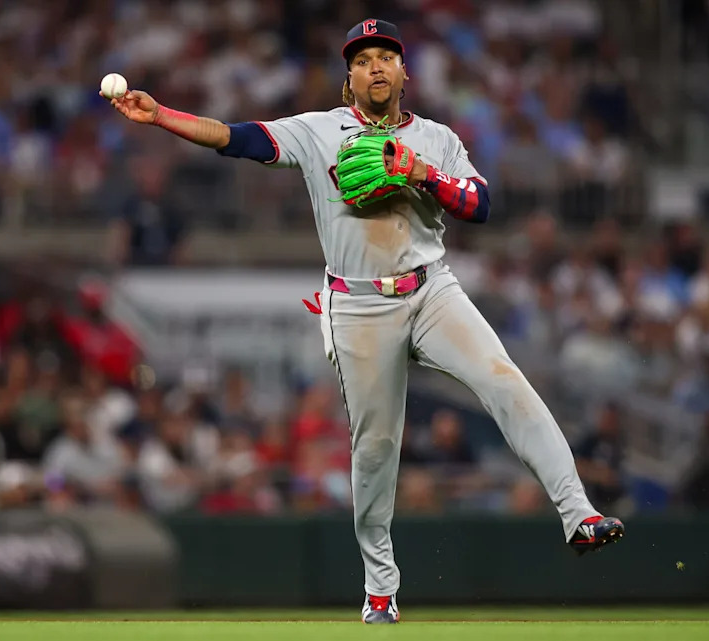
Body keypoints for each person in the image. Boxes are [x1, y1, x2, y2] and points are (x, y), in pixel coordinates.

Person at [107, 18, 623, 624]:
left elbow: (481, 205)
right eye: (362, 59)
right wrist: (162, 114)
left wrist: (422, 173)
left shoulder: (436, 138)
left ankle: (578, 513)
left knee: (504, 379)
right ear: (348, 77)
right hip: (356, 303)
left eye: (386, 57)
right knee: (375, 449)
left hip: (432, 289)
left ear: (404, 72)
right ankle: (380, 587)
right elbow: (238, 138)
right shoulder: (320, 130)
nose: (375, 66)